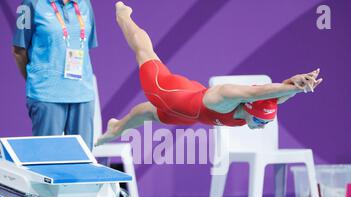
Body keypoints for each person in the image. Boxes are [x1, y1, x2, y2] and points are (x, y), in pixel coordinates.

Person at [95, 2, 323, 147]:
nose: (263, 125)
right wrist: (293, 87)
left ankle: (117, 126)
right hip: (172, 94)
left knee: (148, 114)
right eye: (260, 121)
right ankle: (124, 16)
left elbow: (276, 95)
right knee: (145, 53)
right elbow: (260, 91)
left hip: (189, 111)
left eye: (265, 121)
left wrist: (297, 84)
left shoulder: (256, 109)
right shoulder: (226, 98)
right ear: (250, 108)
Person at [13, 0, 98, 150]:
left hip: (83, 95)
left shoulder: (85, 4)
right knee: (46, 161)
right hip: (47, 95)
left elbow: (84, 46)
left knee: (83, 164)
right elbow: (19, 50)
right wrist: (38, 79)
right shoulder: (30, 4)